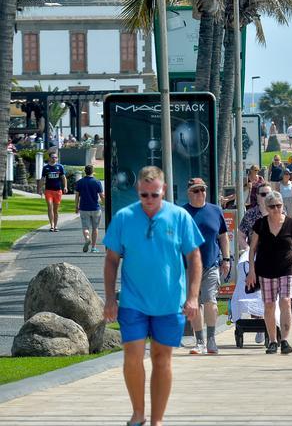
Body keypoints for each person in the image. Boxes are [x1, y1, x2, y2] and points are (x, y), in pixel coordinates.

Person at [102, 166, 203, 426]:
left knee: (161, 358)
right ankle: (138, 414)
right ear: (138, 192)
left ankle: (157, 420)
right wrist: (110, 298)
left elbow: (194, 257)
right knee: (132, 355)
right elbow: (112, 259)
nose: (149, 200)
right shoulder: (124, 218)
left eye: (154, 195)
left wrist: (192, 297)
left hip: (170, 302)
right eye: (144, 195)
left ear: (164, 191)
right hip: (133, 302)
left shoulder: (179, 217)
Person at [245, 191, 292, 354]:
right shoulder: (260, 224)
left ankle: (285, 339)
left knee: (286, 301)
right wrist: (251, 270)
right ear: (267, 207)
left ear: (283, 206)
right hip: (265, 269)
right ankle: (272, 340)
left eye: (278, 206)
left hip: (286, 267)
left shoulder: (290, 224)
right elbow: (252, 249)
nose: (275, 209)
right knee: (269, 305)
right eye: (272, 206)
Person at [182, 178, 230, 355]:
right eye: (196, 190)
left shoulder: (215, 210)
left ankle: (211, 339)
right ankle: (199, 341)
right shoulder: (182, 213)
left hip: (211, 264)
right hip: (189, 267)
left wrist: (226, 259)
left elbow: (223, 236)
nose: (200, 193)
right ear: (189, 193)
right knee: (194, 304)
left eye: (202, 190)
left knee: (210, 300)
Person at [74, 164, 104, 253]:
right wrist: (104, 203)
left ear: (85, 171)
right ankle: (94, 247)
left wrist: (76, 206)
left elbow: (77, 196)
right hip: (95, 208)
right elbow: (101, 196)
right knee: (95, 228)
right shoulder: (97, 182)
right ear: (93, 171)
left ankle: (87, 238)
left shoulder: (80, 182)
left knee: (85, 227)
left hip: (84, 208)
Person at [39, 152, 66, 232]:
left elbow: (63, 178)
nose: (54, 159)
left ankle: (56, 226)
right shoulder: (46, 168)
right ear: (49, 158)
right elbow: (43, 179)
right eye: (53, 157)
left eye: (56, 157)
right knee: (50, 207)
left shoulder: (60, 167)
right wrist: (40, 188)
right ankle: (51, 225)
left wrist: (65, 187)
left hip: (58, 191)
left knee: (56, 209)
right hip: (48, 190)